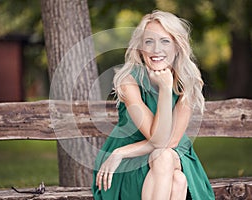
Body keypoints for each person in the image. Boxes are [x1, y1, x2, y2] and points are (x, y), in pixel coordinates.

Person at [92, 10, 215, 200]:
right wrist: (165, 89)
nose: (156, 49)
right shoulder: (128, 79)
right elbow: (157, 139)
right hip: (130, 166)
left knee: (164, 156)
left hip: (170, 156)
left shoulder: (187, 81)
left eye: (165, 41)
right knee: (178, 180)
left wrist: (120, 152)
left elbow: (170, 142)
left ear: (177, 46)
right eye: (149, 41)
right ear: (141, 48)